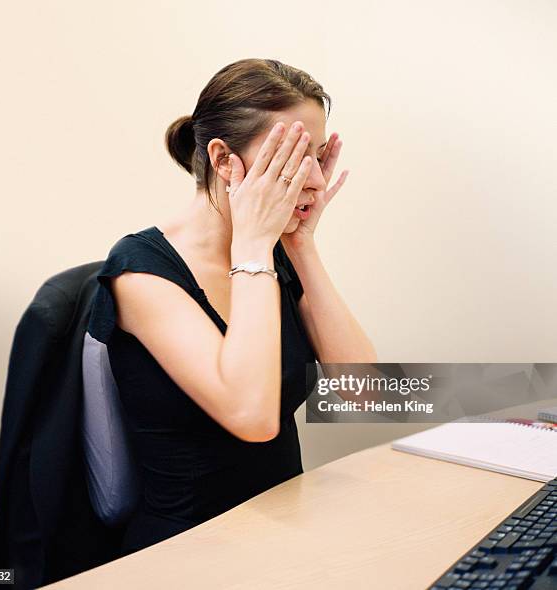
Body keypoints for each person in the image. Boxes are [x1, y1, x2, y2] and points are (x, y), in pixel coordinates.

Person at [93, 57, 377, 556]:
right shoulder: (140, 271)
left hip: (286, 527)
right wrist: (253, 248)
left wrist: (302, 245)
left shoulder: (274, 253)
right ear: (224, 160)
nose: (312, 178)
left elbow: (366, 397)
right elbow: (253, 417)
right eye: (290, 156)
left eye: (315, 155)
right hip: (191, 549)